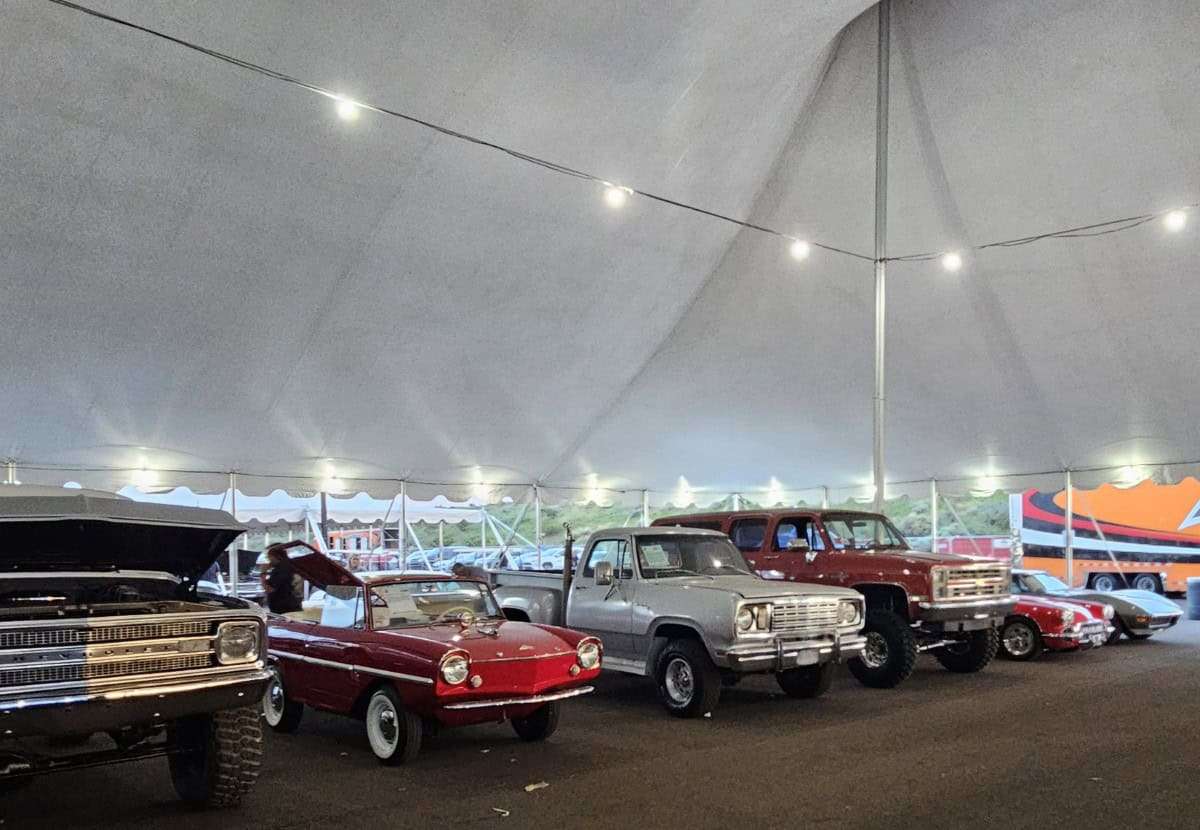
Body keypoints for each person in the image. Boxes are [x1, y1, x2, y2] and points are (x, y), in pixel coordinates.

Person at [263, 545, 302, 614]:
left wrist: (263, 573)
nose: (268, 559)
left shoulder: (282, 569)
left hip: (283, 606)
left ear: (275, 556)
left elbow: (269, 589)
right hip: (284, 604)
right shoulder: (284, 567)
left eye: (269, 557)